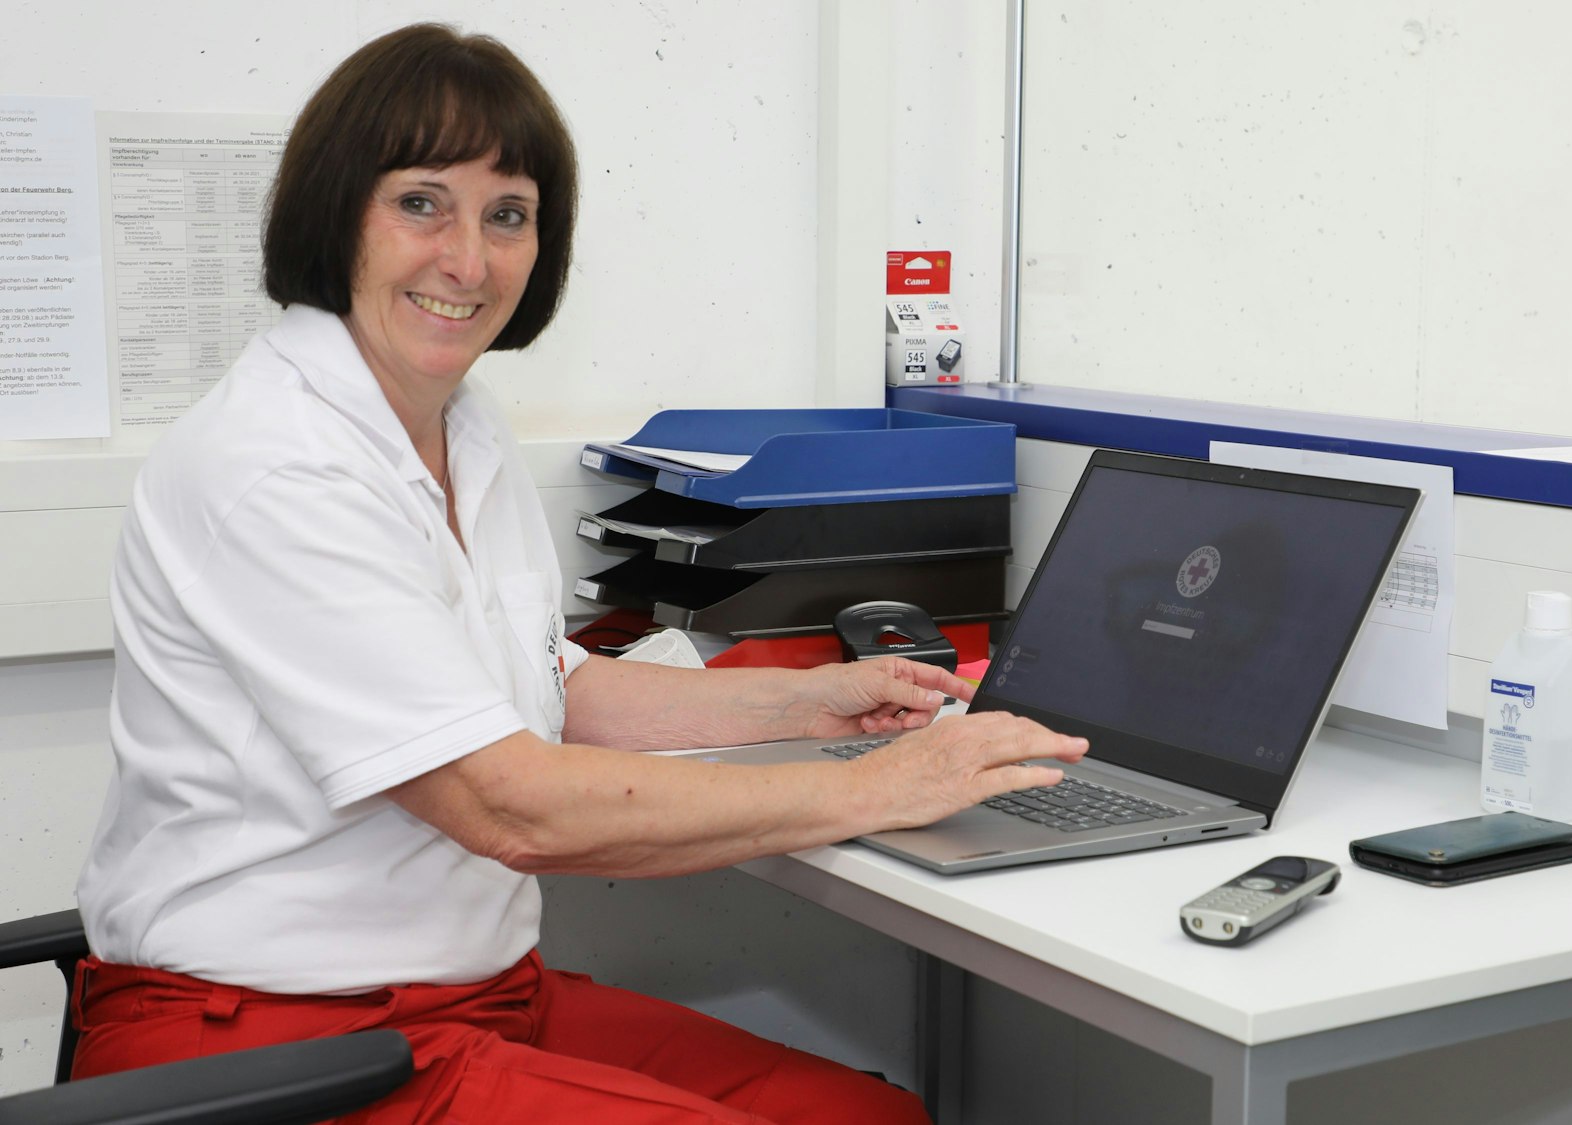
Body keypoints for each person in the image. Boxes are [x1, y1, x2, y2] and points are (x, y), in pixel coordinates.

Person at [70, 23, 1085, 1125]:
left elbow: (548, 687)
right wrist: (870, 793)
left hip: (468, 1006)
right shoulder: (275, 465)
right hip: (268, 1044)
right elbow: (503, 804)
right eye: (422, 202)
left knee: (868, 1117)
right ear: (335, 212)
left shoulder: (455, 426)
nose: (467, 260)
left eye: (506, 214)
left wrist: (813, 700)